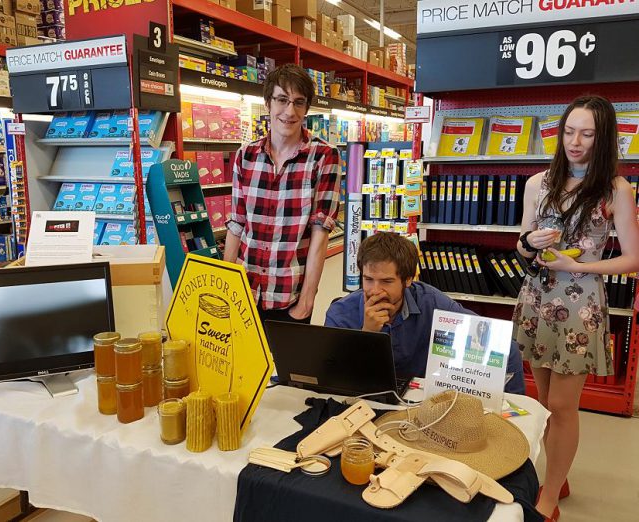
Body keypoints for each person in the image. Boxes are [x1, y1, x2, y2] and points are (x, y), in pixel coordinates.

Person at [512, 95, 639, 521]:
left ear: (603, 139)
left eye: (587, 134)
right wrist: (529, 244)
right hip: (537, 300)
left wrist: (579, 264)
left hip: (580, 307)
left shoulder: (616, 190)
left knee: (565, 406)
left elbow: (633, 259)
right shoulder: (538, 184)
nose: (575, 142)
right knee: (544, 400)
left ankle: (548, 497)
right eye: (569, 132)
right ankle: (557, 477)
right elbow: (521, 244)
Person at [325, 232, 525, 394]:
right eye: (368, 279)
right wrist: (367, 334)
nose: (375, 290)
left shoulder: (432, 301)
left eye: (386, 282)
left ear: (408, 279)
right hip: (361, 405)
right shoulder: (341, 313)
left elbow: (504, 347)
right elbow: (332, 380)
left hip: (419, 406)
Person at [224, 63, 341, 325]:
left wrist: (307, 301)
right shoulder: (246, 155)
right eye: (282, 100)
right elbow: (236, 225)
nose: (289, 111)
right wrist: (225, 286)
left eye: (299, 103)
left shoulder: (324, 156)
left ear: (307, 109)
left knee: (285, 366)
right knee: (244, 366)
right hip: (244, 291)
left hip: (289, 296)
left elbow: (320, 233)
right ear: (268, 103)